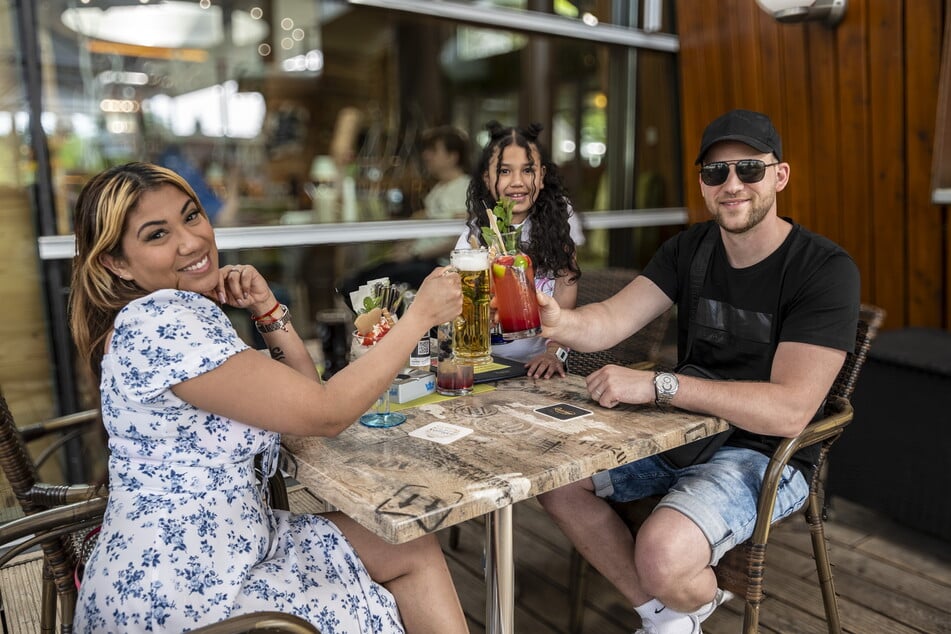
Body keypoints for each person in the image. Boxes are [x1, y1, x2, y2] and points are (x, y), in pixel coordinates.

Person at [68, 162, 469, 634]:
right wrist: (417, 318)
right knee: (408, 552)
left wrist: (267, 310)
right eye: (157, 235)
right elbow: (327, 414)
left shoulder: (174, 313)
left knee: (410, 545)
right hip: (185, 595)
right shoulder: (162, 323)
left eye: (191, 216)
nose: (191, 241)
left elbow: (305, 402)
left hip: (227, 546)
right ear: (115, 263)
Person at [536, 109, 860, 633]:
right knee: (555, 482)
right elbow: (611, 320)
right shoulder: (689, 248)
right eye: (716, 173)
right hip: (678, 431)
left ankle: (682, 596)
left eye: (749, 170)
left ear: (780, 176)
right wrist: (561, 320)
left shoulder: (823, 270)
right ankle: (668, 615)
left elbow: (790, 409)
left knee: (661, 556)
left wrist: (661, 385)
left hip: (768, 452)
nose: (732, 185)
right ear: (704, 185)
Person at [457, 121, 584, 378]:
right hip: (485, 362)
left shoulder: (560, 221)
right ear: (487, 178)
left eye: (528, 170)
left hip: (536, 366)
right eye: (504, 171)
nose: (517, 182)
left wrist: (554, 353)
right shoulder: (477, 229)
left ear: (543, 174)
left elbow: (565, 300)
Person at [338, 126, 473, 305]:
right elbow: (425, 222)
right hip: (418, 259)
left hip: (438, 265)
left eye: (433, 151)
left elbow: (460, 238)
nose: (427, 156)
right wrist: (404, 246)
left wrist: (415, 254)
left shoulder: (465, 188)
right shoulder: (440, 188)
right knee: (355, 281)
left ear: (452, 156)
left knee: (361, 285)